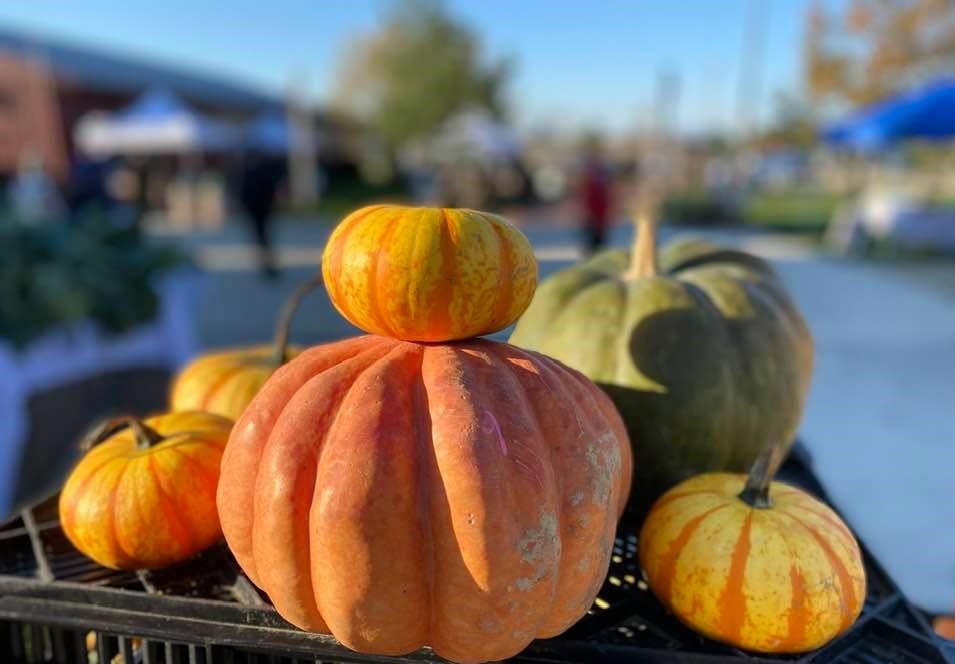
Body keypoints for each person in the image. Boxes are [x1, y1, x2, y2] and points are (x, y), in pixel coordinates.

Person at [237, 150, 285, 279]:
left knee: (262, 237)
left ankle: (267, 263)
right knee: (264, 237)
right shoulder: (264, 171)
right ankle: (267, 263)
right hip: (261, 209)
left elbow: (243, 192)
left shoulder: (249, 172)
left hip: (258, 209)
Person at [577, 135, 613, 253]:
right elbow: (583, 194)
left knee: (600, 240)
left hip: (600, 213)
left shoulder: (602, 171)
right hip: (592, 213)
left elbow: (608, 193)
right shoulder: (589, 173)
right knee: (591, 241)